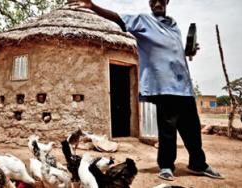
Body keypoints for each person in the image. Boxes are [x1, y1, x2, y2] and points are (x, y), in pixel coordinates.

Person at [73, 0, 224, 181]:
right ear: (150, 3)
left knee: (192, 129)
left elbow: (171, 53)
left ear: (167, 1)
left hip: (184, 87)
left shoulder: (174, 26)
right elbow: (118, 18)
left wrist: (187, 52)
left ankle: (198, 164)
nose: (157, 3)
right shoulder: (144, 21)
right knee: (167, 130)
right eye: (153, 0)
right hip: (164, 87)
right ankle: (167, 166)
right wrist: (93, 7)